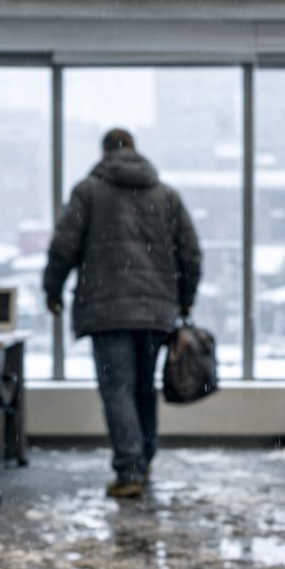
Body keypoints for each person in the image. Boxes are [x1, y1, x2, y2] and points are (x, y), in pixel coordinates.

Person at [43, 128, 202, 499]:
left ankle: (130, 469)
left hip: (106, 308)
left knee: (118, 390)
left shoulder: (89, 192)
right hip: (156, 311)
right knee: (145, 389)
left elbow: (63, 246)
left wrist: (52, 289)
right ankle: (142, 460)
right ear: (134, 150)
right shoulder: (166, 197)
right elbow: (191, 252)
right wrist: (185, 299)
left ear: (104, 152)